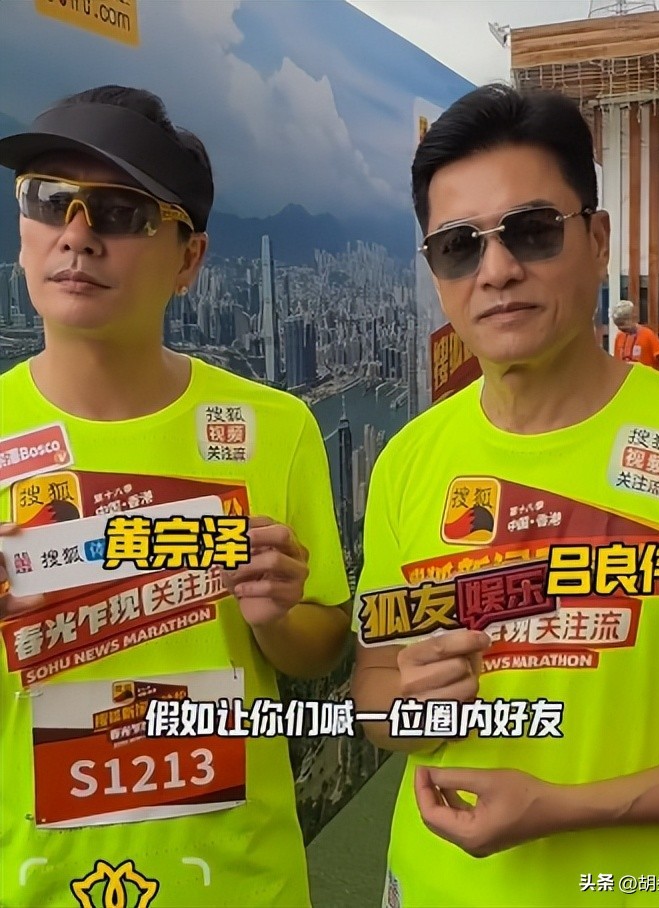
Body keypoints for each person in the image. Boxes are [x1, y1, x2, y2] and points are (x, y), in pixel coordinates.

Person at [351, 84, 659, 908]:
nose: (498, 270)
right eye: (458, 247)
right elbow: (372, 691)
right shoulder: (407, 461)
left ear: (598, 240)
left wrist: (565, 809)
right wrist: (408, 704)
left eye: (533, 230)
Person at [0, 85, 350, 908]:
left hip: (235, 877)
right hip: (31, 873)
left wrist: (277, 616)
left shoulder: (277, 428)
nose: (76, 236)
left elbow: (322, 642)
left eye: (119, 213)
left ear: (189, 259)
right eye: (49, 200)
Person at [611, 299, 659, 376]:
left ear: (633, 318)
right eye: (618, 326)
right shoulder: (619, 337)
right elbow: (617, 364)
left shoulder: (647, 334)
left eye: (623, 324)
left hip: (647, 379)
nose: (621, 328)